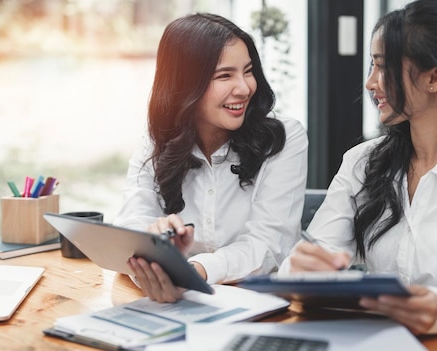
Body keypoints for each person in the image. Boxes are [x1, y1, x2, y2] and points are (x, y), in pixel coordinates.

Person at [280, 0, 437, 342]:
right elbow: (303, 266)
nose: (371, 83)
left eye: (384, 67)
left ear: (436, 76)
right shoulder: (362, 162)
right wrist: (300, 270)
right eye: (371, 66)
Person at [114, 13, 308, 303]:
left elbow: (269, 245)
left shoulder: (285, 137)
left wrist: (193, 271)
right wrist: (153, 246)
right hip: (180, 302)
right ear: (185, 84)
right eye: (225, 75)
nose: (244, 88)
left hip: (267, 303)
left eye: (248, 71)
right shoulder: (158, 139)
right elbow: (132, 222)